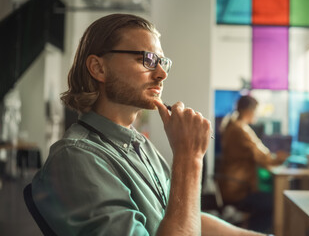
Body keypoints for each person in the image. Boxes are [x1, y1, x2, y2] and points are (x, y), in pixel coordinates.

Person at [31, 14, 268, 236]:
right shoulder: (75, 157)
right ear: (98, 68)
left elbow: (187, 217)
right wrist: (189, 158)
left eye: (162, 61)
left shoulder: (139, 144)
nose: (162, 74)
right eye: (148, 59)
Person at [218, 95, 289, 232]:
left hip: (231, 186)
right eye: (256, 110)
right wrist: (281, 158)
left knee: (271, 200)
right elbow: (262, 157)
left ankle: (249, 230)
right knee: (276, 203)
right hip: (237, 189)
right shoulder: (240, 130)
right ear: (249, 110)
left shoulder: (232, 125)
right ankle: (252, 233)